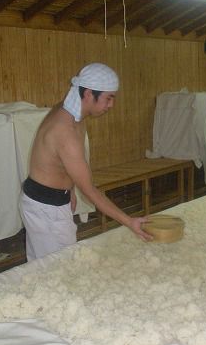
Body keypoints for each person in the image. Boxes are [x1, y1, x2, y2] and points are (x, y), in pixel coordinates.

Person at [20, 62, 152, 260]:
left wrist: (70, 190)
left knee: (45, 266)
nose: (111, 105)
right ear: (89, 94)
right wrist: (129, 221)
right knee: (58, 268)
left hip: (49, 201)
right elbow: (90, 191)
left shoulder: (72, 111)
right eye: (109, 98)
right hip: (45, 208)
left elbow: (62, 163)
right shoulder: (66, 131)